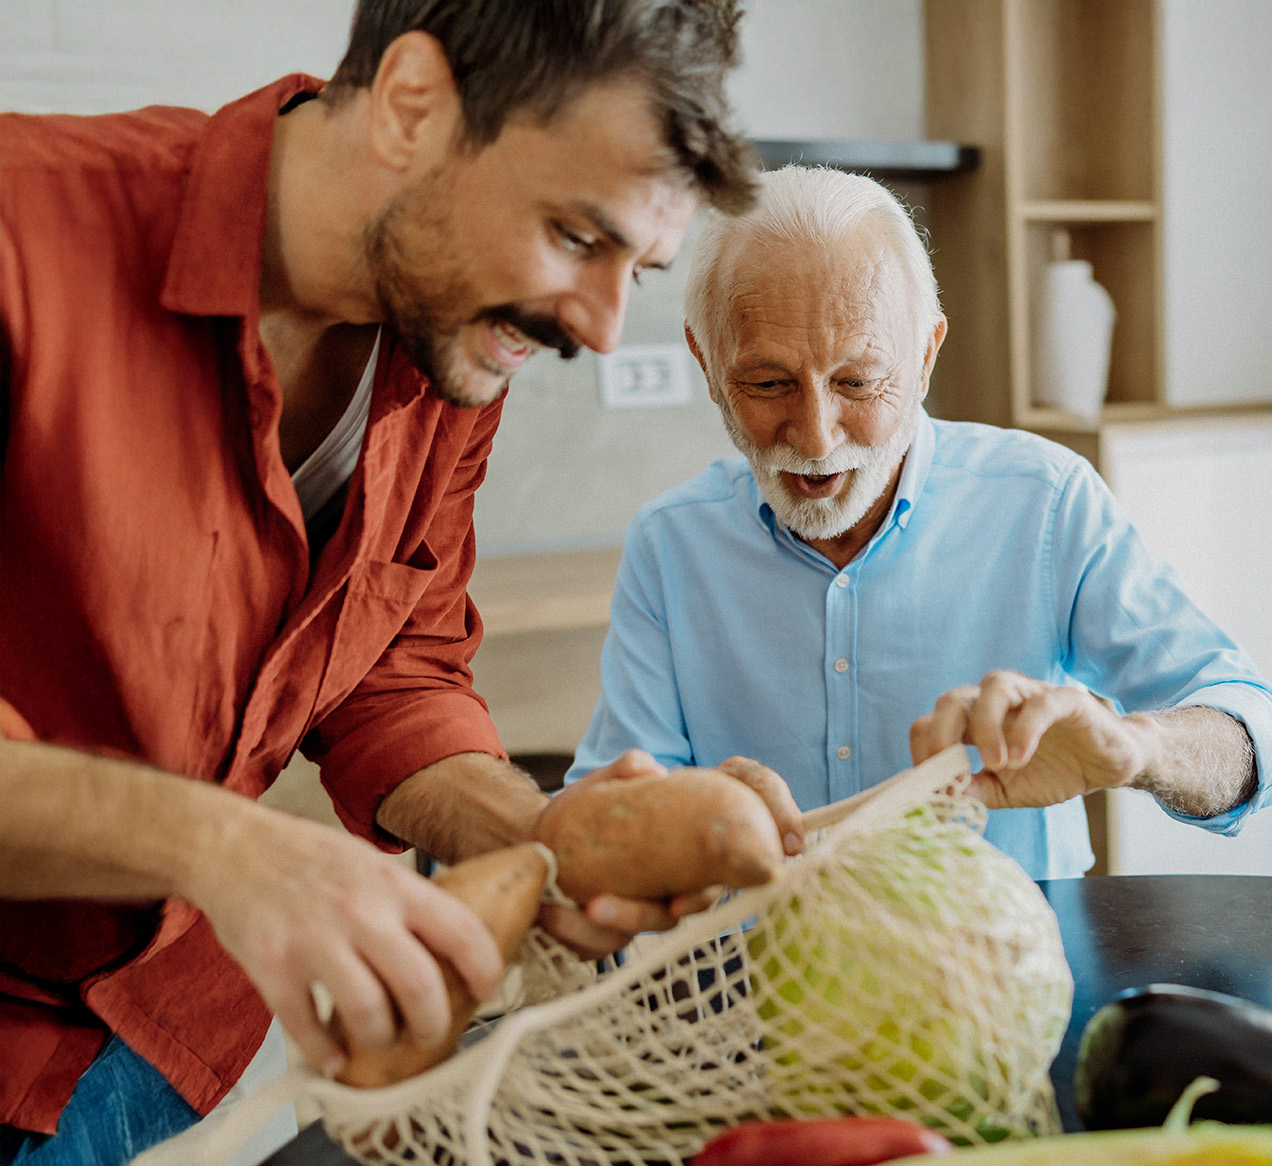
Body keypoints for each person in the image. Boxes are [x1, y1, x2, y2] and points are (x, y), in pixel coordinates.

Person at [0, 3, 801, 1161]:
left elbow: (395, 669)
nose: (600, 327)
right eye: (577, 235)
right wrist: (225, 846)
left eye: (638, 267)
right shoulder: (25, 237)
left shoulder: (448, 335)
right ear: (412, 106)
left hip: (162, 1045)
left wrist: (538, 831)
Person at [570, 166, 1272, 880]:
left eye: (859, 382)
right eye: (768, 383)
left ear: (925, 358)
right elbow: (601, 823)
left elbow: (1260, 735)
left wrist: (1137, 747)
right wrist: (671, 821)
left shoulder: (1043, 502)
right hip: (760, 962)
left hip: (1009, 957)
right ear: (706, 365)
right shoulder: (671, 545)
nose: (817, 436)